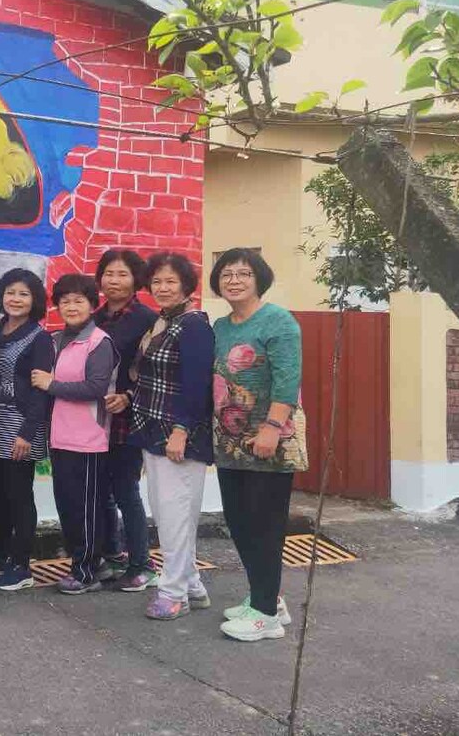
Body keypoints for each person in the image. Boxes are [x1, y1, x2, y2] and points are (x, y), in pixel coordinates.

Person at [210, 248, 305, 642]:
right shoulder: (221, 325)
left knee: (265, 525)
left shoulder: (278, 321)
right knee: (239, 522)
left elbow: (288, 377)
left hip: (270, 437)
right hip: (229, 439)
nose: (234, 280)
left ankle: (264, 616)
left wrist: (270, 426)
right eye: (227, 273)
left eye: (243, 273)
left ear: (258, 279)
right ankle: (267, 597)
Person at [125, 252, 214, 621]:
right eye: (157, 282)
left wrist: (181, 430)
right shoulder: (163, 322)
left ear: (186, 286)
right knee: (166, 513)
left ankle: (173, 592)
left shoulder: (193, 325)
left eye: (170, 282)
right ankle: (192, 584)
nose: (162, 288)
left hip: (179, 435)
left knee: (176, 514)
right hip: (151, 430)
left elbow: (197, 384)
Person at [33, 274, 118, 595]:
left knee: (86, 508)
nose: (71, 306)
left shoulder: (99, 342)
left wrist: (51, 384)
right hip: (61, 437)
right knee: (68, 506)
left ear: (92, 305)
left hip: (88, 439)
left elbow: (95, 388)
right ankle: (95, 564)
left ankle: (85, 572)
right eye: (65, 301)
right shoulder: (55, 340)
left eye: (78, 300)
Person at [0, 269, 52, 592]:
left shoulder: (40, 338)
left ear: (34, 300)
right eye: (11, 292)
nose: (16, 299)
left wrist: (27, 433)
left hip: (21, 426)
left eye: (23, 294)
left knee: (19, 495)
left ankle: (21, 564)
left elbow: (41, 391)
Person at [94, 249, 160, 592]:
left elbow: (153, 372)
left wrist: (129, 397)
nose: (114, 280)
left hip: (127, 419)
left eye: (122, 274)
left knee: (125, 490)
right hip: (94, 419)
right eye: (108, 273)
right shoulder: (95, 318)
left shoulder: (147, 320)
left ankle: (142, 563)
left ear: (136, 280)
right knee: (101, 490)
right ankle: (113, 554)